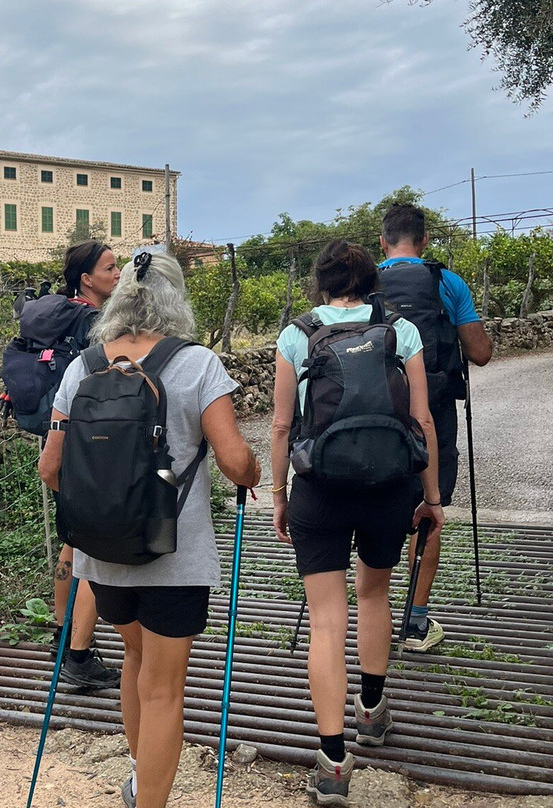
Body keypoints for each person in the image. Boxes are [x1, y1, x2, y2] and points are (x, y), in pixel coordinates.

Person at [40, 249, 260, 808]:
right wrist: (254, 469)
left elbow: (50, 468)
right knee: (164, 690)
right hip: (173, 554)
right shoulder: (196, 363)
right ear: (175, 299)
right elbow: (236, 462)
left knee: (135, 663)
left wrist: (109, 501)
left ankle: (140, 779)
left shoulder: (85, 365)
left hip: (103, 557)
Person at [271, 240, 445, 806]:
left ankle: (332, 762)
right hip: (390, 485)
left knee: (326, 619)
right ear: (372, 282)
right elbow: (420, 417)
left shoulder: (298, 334)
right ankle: (371, 709)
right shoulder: (401, 332)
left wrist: (278, 494)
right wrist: (432, 496)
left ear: (320, 283)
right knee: (374, 594)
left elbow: (279, 426)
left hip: (318, 489)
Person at [379, 203, 493, 652]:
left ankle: (376, 609)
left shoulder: (362, 284)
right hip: (435, 415)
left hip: (374, 414)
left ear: (382, 243)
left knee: (381, 506)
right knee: (428, 515)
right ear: (424, 241)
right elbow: (480, 353)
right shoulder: (446, 282)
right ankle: (416, 622)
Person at [49, 240, 124, 690]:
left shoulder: (59, 315)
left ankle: (64, 635)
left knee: (72, 541)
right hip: (90, 444)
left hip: (57, 437)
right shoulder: (97, 323)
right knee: (94, 547)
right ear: (86, 278)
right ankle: (77, 654)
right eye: (110, 268)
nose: (117, 275)